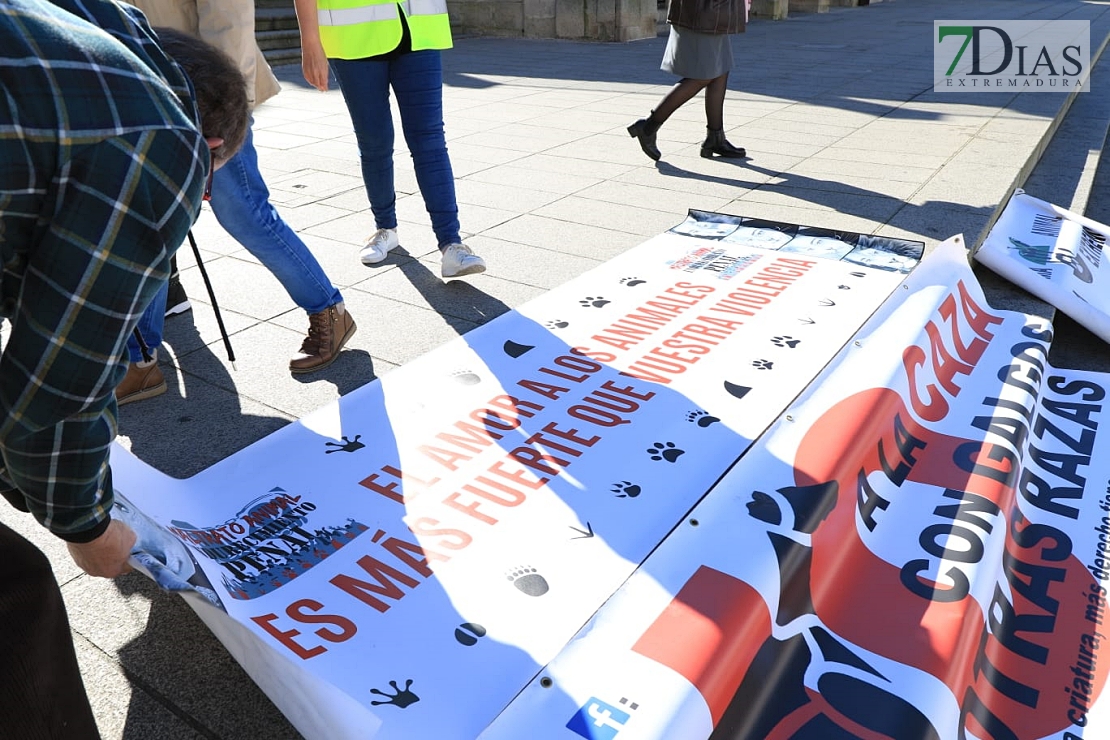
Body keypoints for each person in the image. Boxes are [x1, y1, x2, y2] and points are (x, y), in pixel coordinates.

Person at [0, 0, 249, 733]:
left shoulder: (83, 25)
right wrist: (87, 525)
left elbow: (32, 329)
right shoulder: (157, 133)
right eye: (207, 184)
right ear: (206, 145)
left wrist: (32, 478)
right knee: (15, 596)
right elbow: (57, 382)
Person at [114, 0, 359, 406]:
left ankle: (328, 310)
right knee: (155, 226)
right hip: (150, 96)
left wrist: (216, 113)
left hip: (205, 97)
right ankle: (139, 360)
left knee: (245, 214)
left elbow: (229, 21)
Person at [292, 0, 487, 279]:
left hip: (419, 28)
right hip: (353, 37)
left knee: (430, 139)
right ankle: (385, 228)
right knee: (375, 141)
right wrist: (310, 42)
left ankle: (452, 244)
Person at [627, 0, 749, 162]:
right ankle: (648, 127)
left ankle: (715, 137)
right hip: (703, 12)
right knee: (704, 75)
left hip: (712, 12)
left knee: (720, 69)